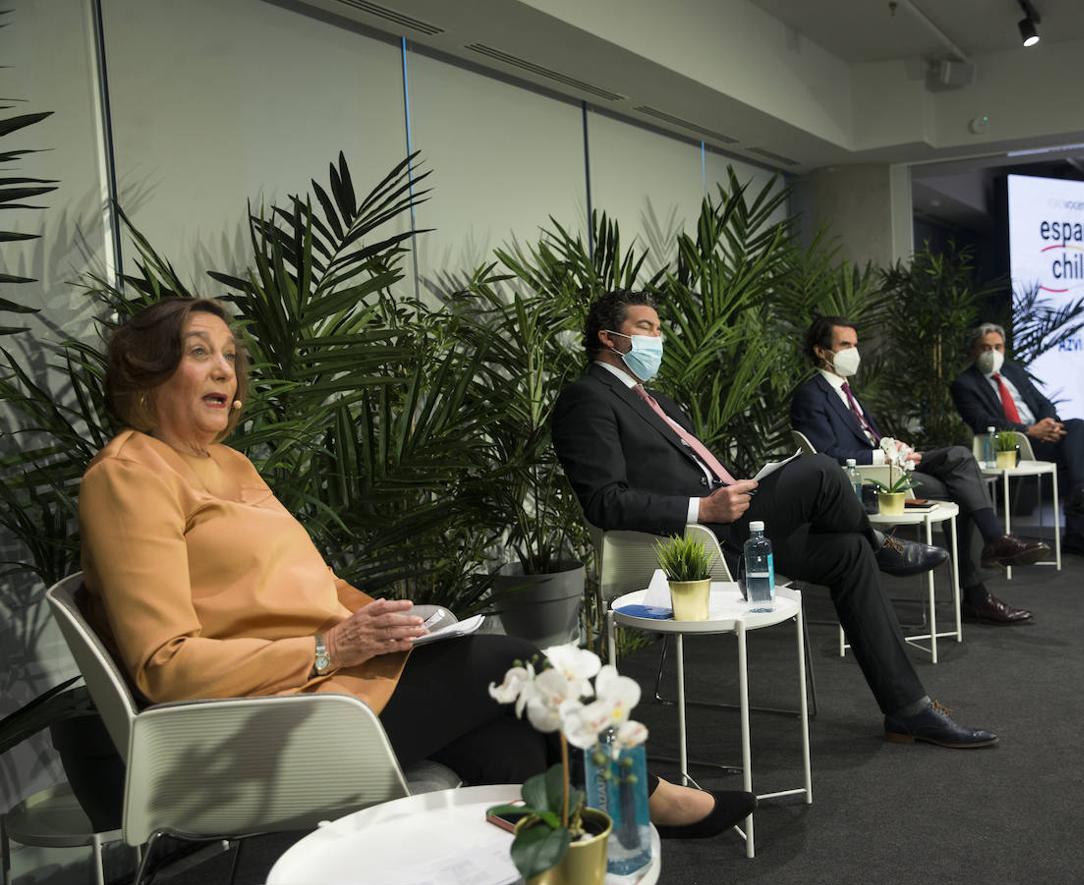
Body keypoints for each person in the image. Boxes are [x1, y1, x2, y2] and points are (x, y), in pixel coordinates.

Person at [77, 296, 750, 840]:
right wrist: (327, 646)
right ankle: (646, 795)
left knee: (514, 739)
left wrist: (389, 618)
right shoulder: (128, 477)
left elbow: (312, 581)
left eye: (230, 355)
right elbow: (165, 667)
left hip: (329, 683)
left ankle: (563, 864)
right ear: (146, 369)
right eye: (200, 354)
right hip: (260, 723)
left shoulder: (228, 465)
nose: (226, 370)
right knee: (519, 663)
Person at [551, 290, 998, 748]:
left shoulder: (657, 398)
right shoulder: (586, 399)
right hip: (695, 538)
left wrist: (739, 488)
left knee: (848, 552)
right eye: (646, 328)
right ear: (609, 338)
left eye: (660, 328)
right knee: (822, 469)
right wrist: (703, 509)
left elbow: (700, 468)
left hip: (731, 520)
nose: (658, 338)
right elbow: (604, 501)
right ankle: (885, 544)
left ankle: (909, 710)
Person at [789, 316, 1050, 624]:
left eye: (856, 345)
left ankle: (995, 543)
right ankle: (980, 587)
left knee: (959, 456)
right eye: (845, 345)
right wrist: (882, 456)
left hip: (891, 465)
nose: (854, 352)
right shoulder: (812, 395)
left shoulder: (845, 390)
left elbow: (868, 436)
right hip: (866, 479)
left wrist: (896, 448)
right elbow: (825, 456)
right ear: (822, 351)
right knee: (961, 492)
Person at [950, 323, 1084, 558]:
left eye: (997, 347)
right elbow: (981, 421)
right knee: (1072, 453)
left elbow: (1044, 401)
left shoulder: (1013, 371)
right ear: (973, 351)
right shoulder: (964, 384)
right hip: (1006, 447)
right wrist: (1029, 430)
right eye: (985, 348)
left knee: (1077, 427)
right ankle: (1079, 518)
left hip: (1039, 437)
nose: (992, 353)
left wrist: (1048, 423)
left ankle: (1080, 498)